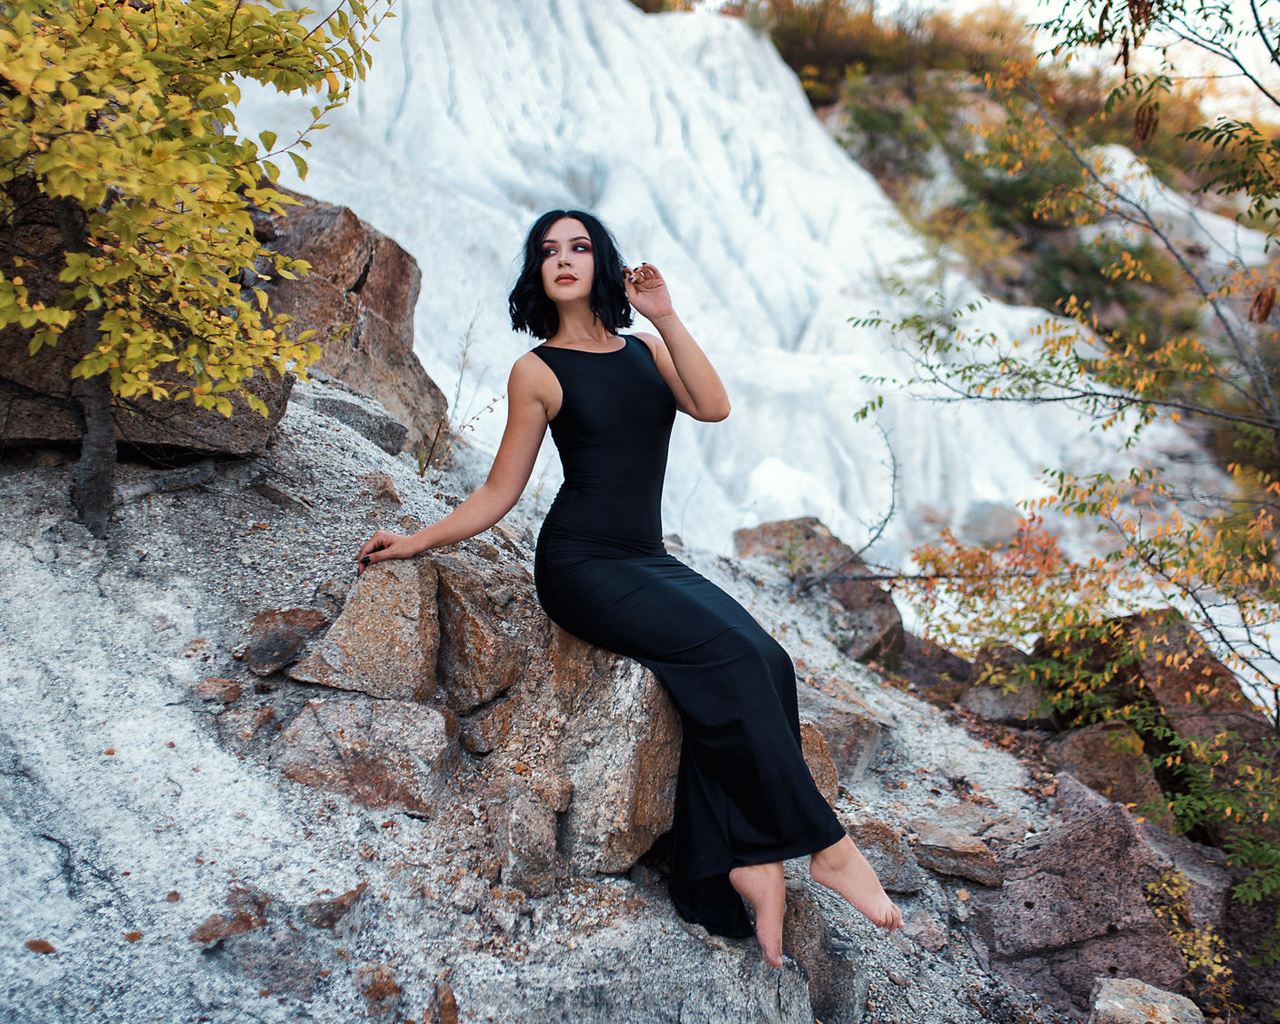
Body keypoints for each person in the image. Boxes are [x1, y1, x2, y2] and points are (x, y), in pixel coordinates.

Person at [357, 210, 902, 965]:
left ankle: (740, 865)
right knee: (732, 663)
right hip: (581, 566)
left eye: (579, 247)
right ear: (537, 274)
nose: (563, 259)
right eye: (548, 251)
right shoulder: (538, 370)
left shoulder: (646, 350)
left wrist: (667, 316)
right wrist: (416, 540)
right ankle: (826, 846)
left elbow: (713, 405)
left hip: (646, 557)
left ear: (603, 263)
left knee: (767, 662)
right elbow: (500, 492)